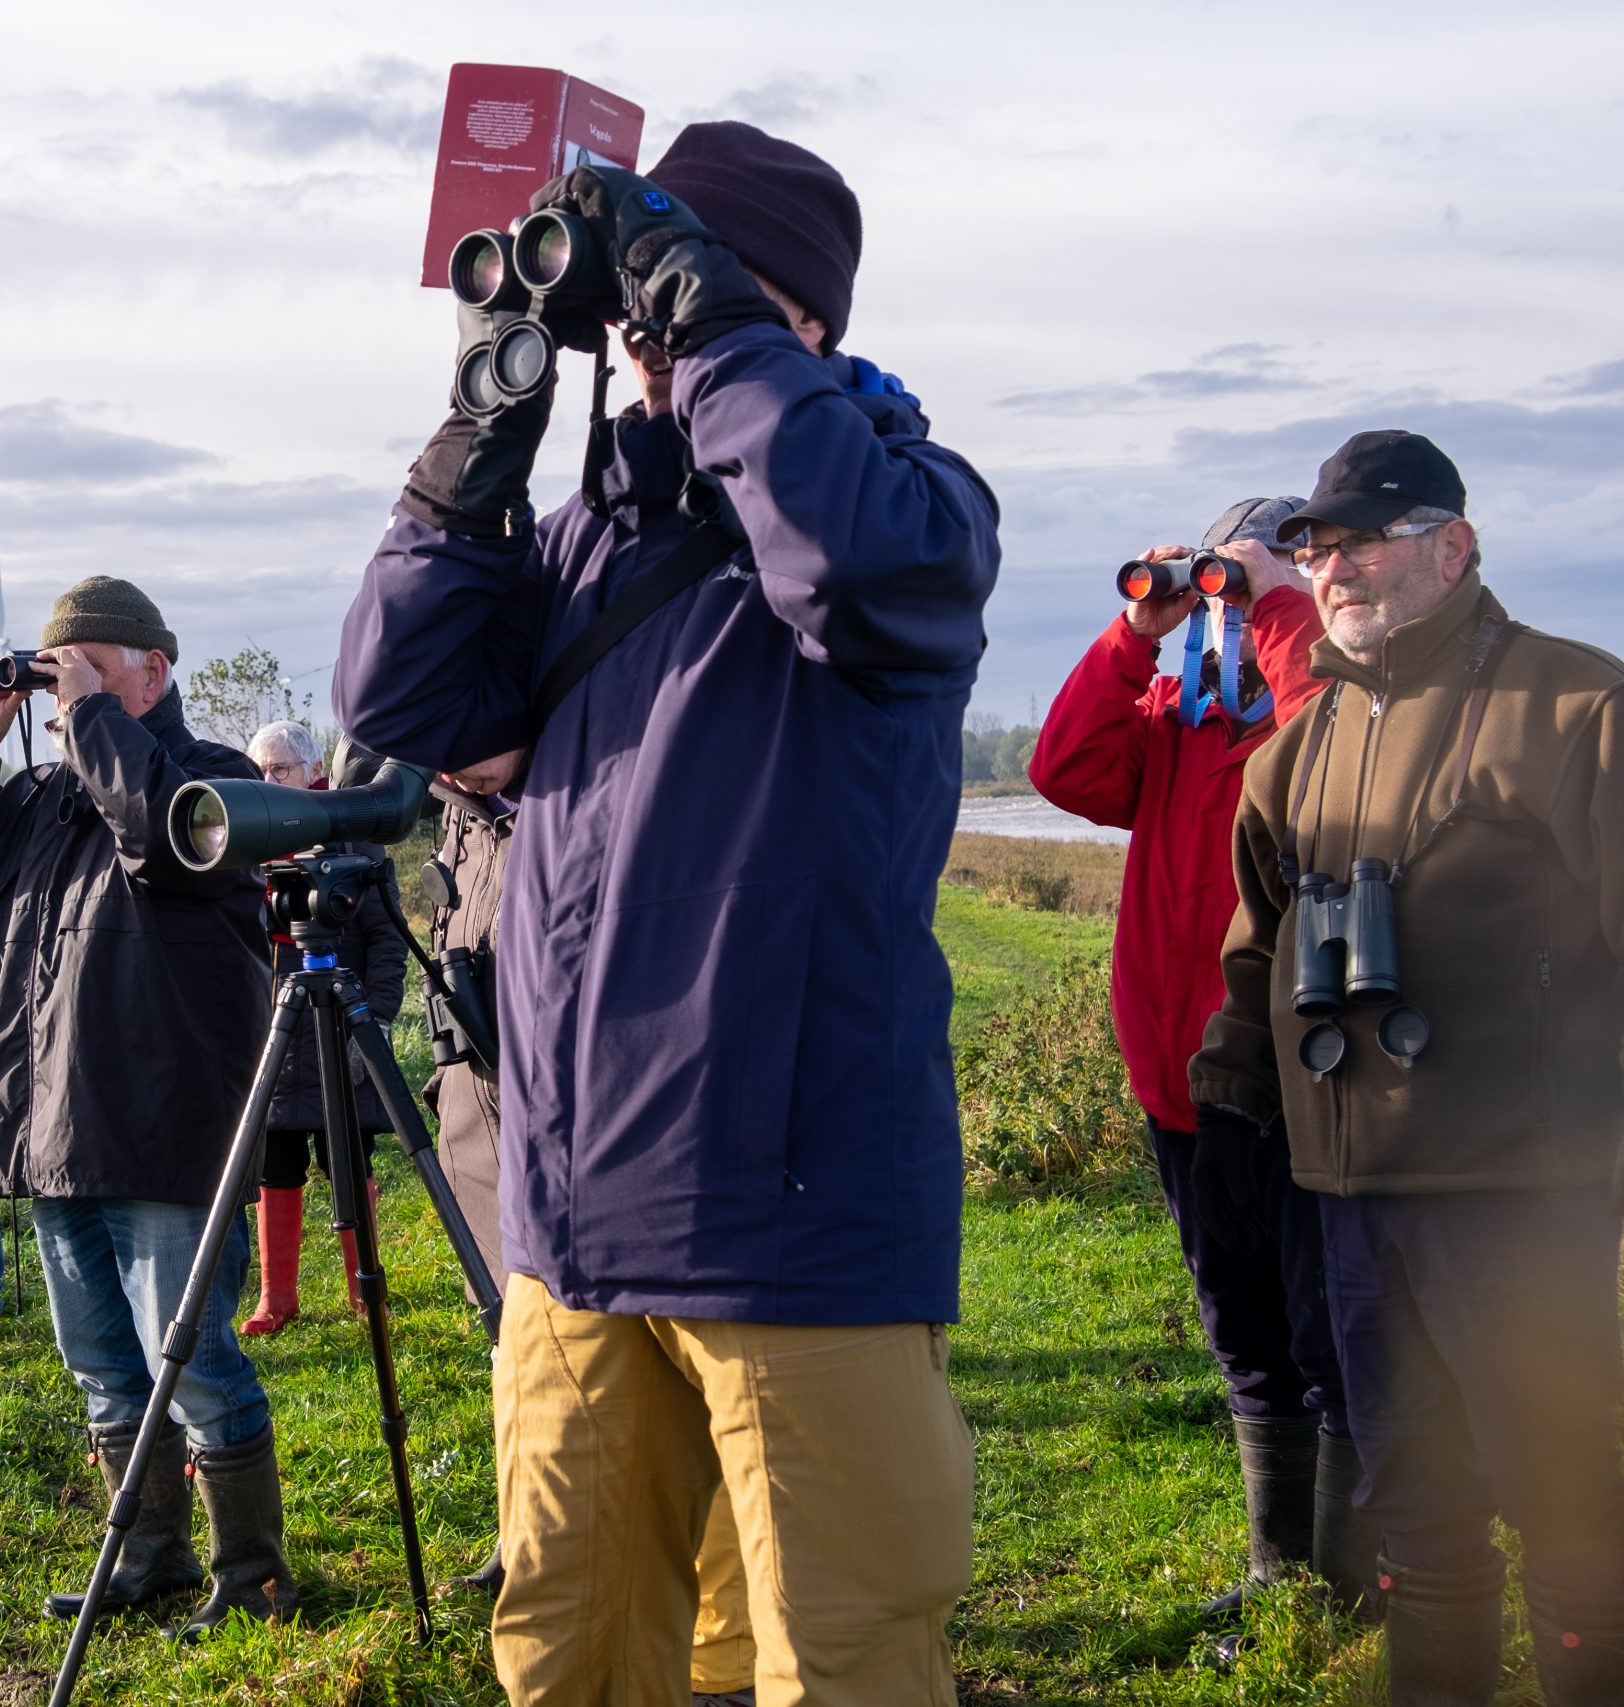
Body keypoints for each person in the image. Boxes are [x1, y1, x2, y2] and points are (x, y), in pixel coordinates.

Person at [335, 121, 998, 1707]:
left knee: (832, 1661)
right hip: (569, 1227)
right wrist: (488, 412)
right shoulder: (583, 544)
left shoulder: (915, 502)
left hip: (793, 1219)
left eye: (679, 278)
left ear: (803, 322)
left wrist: (710, 321)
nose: (644, 324)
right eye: (637, 289)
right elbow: (399, 690)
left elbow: (847, 563)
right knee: (566, 1652)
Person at [1189, 430, 1624, 1706]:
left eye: (1370, 536)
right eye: (1319, 543)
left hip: (1521, 1199)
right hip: (1352, 1207)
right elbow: (1257, 955)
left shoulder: (1575, 707)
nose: (1337, 566)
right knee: (1415, 1521)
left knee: (1571, 1520)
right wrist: (1232, 1111)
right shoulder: (1290, 753)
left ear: (1454, 547)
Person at [0, 576, 296, 1633]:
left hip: (162, 1120)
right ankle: (149, 1557)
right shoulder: (35, 801)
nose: (65, 688)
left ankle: (251, 1574)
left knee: (194, 1360)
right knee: (104, 1367)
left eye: (91, 668)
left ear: (155, 671)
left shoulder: (206, 782)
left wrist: (87, 721)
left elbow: (164, 841)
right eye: (54, 672)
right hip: (51, 1126)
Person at [1027, 501, 1379, 1633]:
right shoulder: (1174, 719)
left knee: (1327, 1334)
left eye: (1256, 568)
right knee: (1242, 1329)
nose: (1224, 593)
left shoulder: (1329, 711)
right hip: (1182, 1078)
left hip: (1304, 1080)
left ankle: (1354, 1587)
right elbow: (1064, 769)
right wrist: (1138, 634)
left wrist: (1275, 596)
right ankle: (1283, 1575)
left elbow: (1323, 742)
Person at [424, 778, 760, 1706]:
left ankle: (725, 1660)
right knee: (531, 1374)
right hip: (501, 1104)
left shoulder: (593, 743)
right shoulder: (462, 799)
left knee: (714, 1382)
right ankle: (540, 1554)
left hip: (642, 1111)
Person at [235, 720, 408, 1338]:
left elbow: (389, 942)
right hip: (273, 1039)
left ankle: (368, 1292)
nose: (267, 781)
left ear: (313, 775)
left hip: (341, 1029)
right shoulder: (242, 849)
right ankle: (276, 1299)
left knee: (348, 1163)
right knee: (273, 1168)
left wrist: (379, 1021)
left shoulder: (356, 844)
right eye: (258, 770)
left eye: (279, 769)